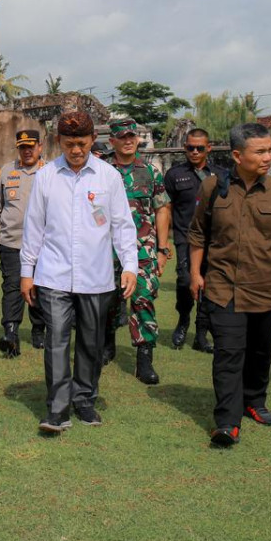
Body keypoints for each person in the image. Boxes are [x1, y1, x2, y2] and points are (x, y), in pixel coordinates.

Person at [188, 123, 271, 447]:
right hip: (223, 287)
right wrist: (195, 273)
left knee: (260, 352)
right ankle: (227, 422)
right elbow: (197, 234)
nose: (268, 157)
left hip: (266, 289)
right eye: (260, 151)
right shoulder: (211, 187)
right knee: (228, 354)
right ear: (237, 155)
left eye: (270, 150)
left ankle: (254, 400)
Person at [20, 111, 137, 434]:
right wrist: (26, 272)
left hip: (96, 277)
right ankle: (57, 409)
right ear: (59, 142)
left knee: (91, 342)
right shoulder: (46, 177)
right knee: (56, 341)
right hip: (53, 275)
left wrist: (129, 266)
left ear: (91, 141)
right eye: (70, 144)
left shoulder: (107, 176)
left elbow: (122, 226)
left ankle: (84, 398)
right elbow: (34, 228)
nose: (76, 150)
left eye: (82, 144)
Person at [104, 117, 172, 385]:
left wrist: (163, 249)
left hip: (143, 248)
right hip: (107, 249)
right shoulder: (103, 171)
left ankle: (144, 359)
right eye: (122, 137)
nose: (128, 140)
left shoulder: (150, 172)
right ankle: (106, 345)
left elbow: (162, 209)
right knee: (107, 301)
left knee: (143, 299)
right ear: (113, 141)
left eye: (132, 136)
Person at [0, 129, 46, 357]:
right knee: (12, 287)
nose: (27, 151)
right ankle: (11, 332)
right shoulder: (7, 172)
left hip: (43, 244)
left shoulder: (50, 172)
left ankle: (39, 330)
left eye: (31, 146)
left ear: (40, 147)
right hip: (12, 242)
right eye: (22, 147)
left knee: (39, 288)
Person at [164, 128, 225, 353]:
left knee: (209, 285)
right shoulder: (174, 174)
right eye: (190, 147)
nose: (195, 152)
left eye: (200, 148)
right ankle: (183, 319)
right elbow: (166, 207)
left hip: (214, 240)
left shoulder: (220, 175)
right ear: (185, 148)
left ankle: (201, 334)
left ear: (209, 148)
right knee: (185, 281)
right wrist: (166, 239)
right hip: (185, 238)